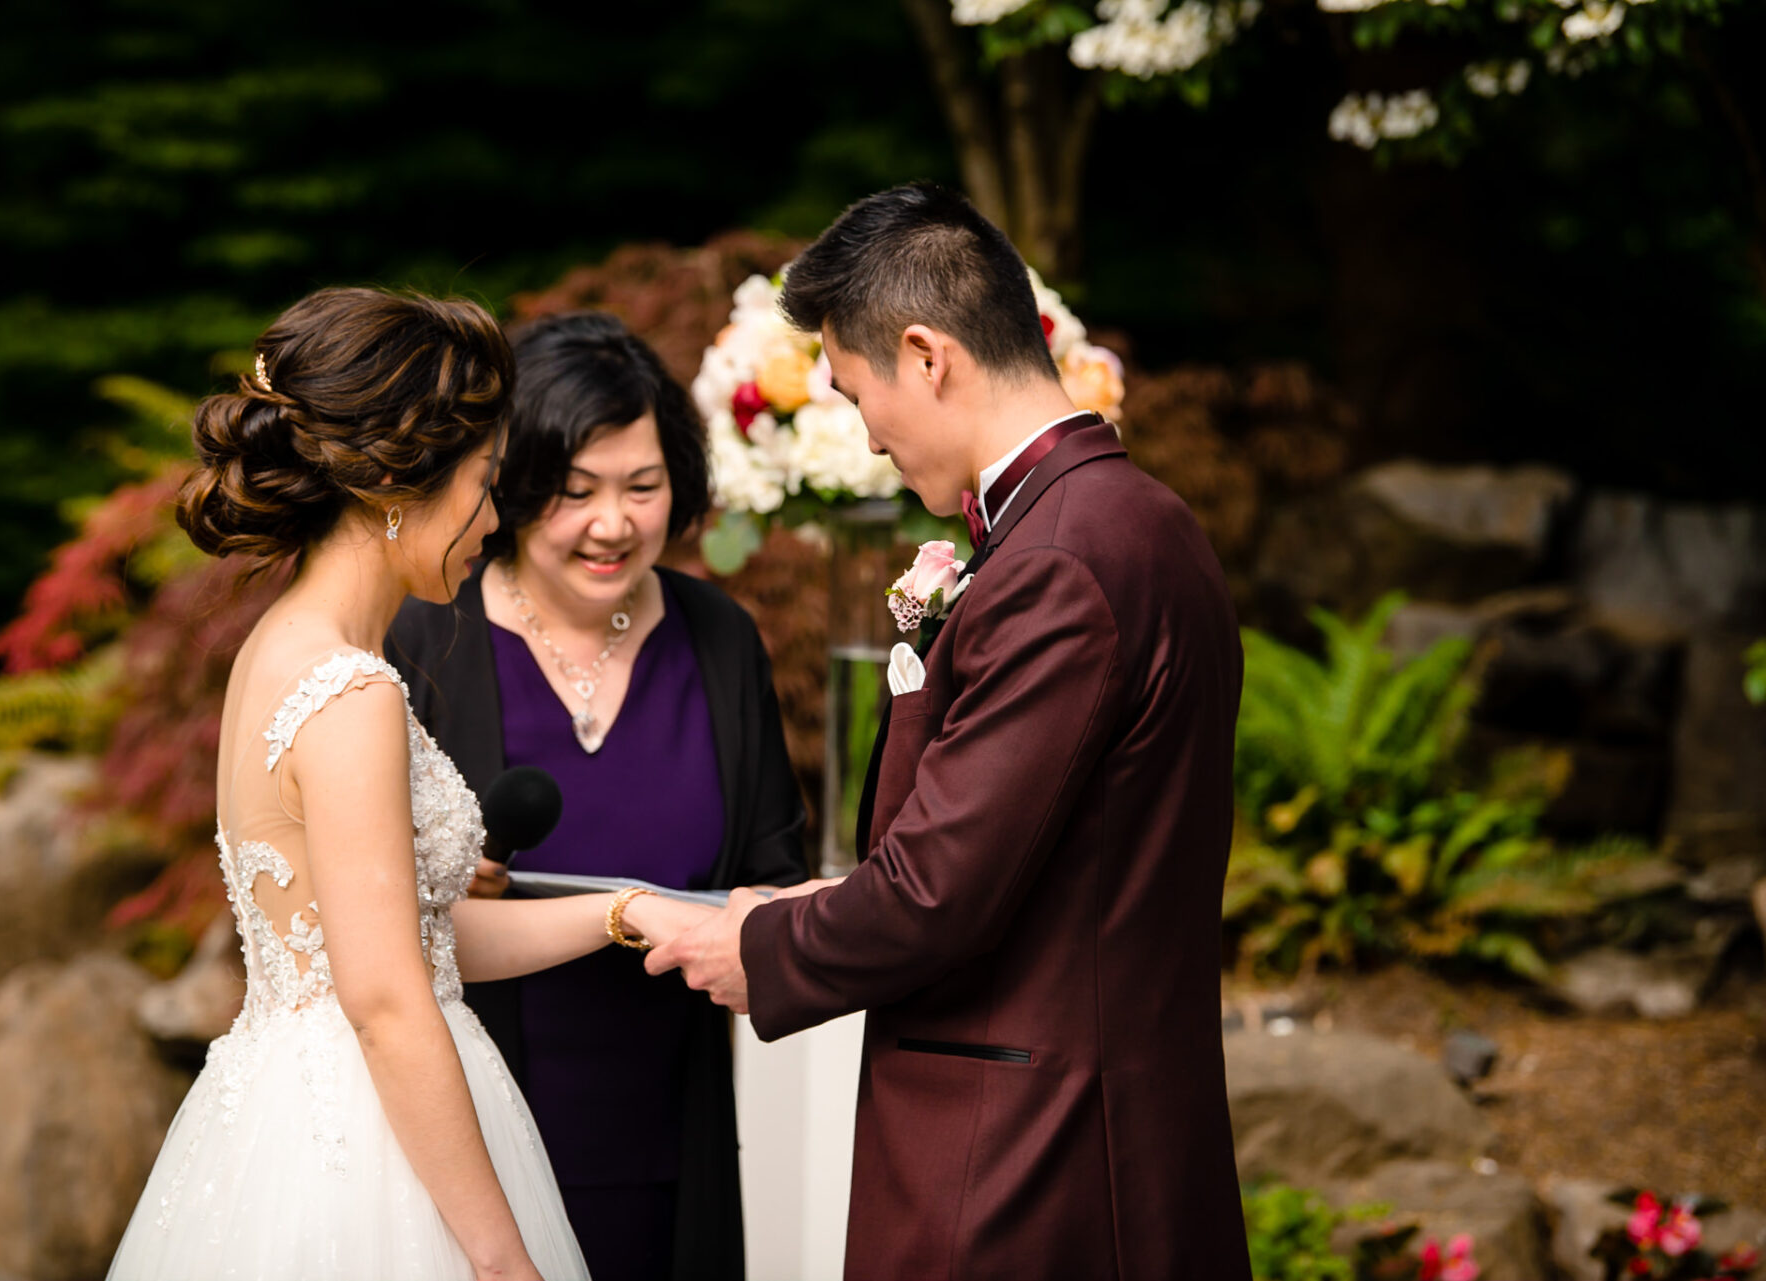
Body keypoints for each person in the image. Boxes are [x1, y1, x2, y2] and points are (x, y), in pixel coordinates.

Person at [648, 184, 1255, 1280]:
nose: (867, 438)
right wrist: (816, 902)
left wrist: (754, 946)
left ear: (927, 356)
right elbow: (1049, 856)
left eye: (854, 389)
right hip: (1096, 1120)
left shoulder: (1059, 564)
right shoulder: (1131, 520)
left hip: (1031, 1159)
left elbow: (940, 890)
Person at [106, 287, 716, 1281]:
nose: (493, 517)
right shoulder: (352, 692)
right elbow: (389, 1001)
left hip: (287, 1111)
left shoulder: (280, 649)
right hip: (365, 1143)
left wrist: (621, 912)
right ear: (397, 484)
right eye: (483, 482)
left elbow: (417, 940)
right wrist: (499, 1256)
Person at [386, 310, 810, 1281]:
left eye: (643, 487)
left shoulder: (720, 639)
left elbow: (771, 878)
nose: (612, 524)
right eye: (573, 493)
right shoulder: (423, 640)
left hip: (671, 1140)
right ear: (512, 484)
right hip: (467, 1153)